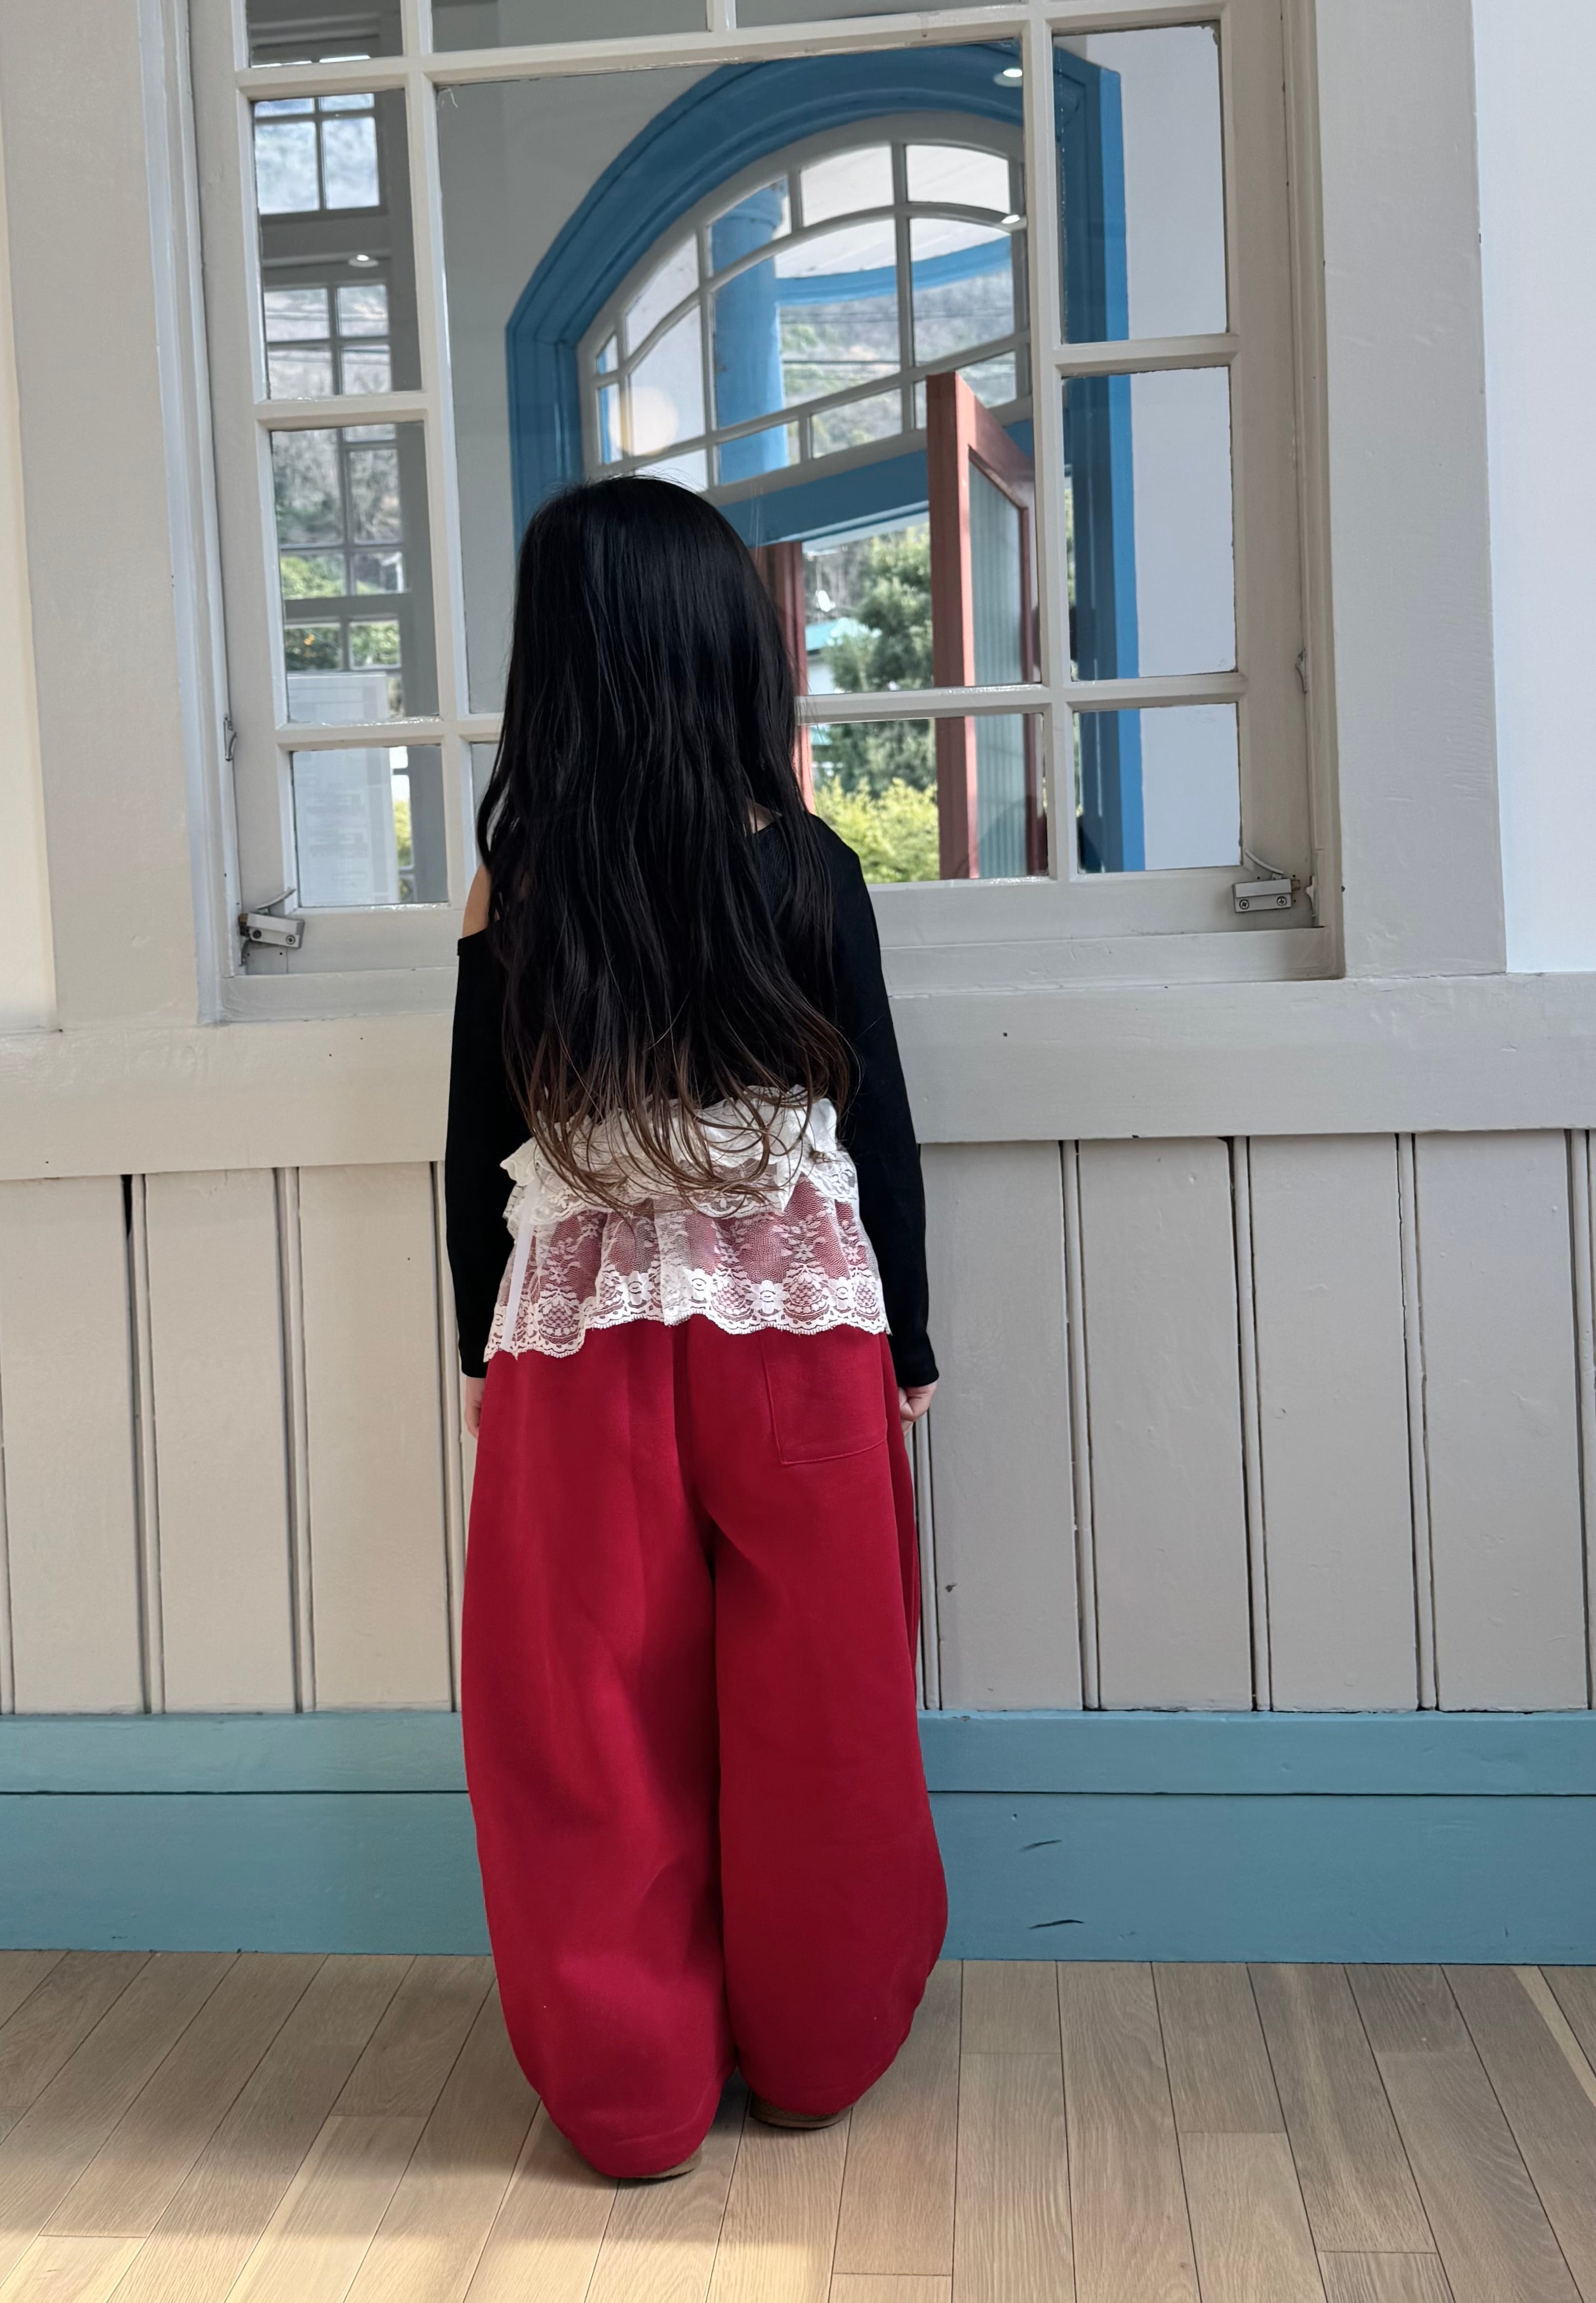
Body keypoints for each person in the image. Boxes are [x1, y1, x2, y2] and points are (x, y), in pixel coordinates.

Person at [444, 475, 948, 2184]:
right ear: (733, 652)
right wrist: (910, 1338)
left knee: (586, 1711)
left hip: (582, 1339)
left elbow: (476, 1140)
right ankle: (816, 2048)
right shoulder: (808, 872)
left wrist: (478, 1347)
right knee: (826, 1694)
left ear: (563, 670)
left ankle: (632, 2093)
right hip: (797, 1326)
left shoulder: (520, 895)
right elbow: (879, 1130)